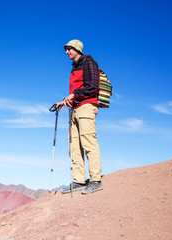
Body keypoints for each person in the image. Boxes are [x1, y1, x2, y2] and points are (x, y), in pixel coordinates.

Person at [56, 39, 103, 194]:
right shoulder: (74, 67)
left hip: (87, 107)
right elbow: (77, 90)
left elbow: (92, 86)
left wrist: (74, 94)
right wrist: (64, 101)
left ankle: (95, 180)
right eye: (66, 49)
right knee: (74, 146)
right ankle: (79, 180)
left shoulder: (89, 62)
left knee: (88, 141)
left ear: (77, 49)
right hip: (75, 108)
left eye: (69, 49)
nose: (66, 52)